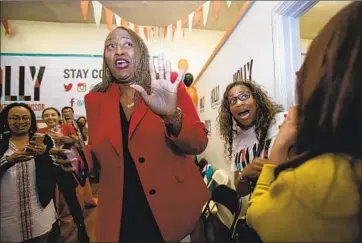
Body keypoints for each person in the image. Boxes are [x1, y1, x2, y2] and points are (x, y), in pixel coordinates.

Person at [246, 2, 361, 242]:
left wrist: (277, 151)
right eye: (231, 100)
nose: (298, 74)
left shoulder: (324, 179)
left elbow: (257, 217)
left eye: (312, 61)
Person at [84, 26, 210, 242]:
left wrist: (172, 117)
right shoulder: (95, 99)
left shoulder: (167, 84)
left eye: (127, 44)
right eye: (110, 46)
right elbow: (97, 155)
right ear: (106, 58)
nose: (119, 51)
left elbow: (198, 142)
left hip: (173, 209)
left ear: (140, 52)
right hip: (121, 214)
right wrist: (75, 158)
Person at [0, 103, 67, 243]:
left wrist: (45, 155)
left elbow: (55, 171)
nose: (20, 122)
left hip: (39, 211)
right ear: (6, 119)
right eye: (14, 118)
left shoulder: (43, 140)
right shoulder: (1, 142)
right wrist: (8, 160)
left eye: (25, 118)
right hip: (7, 216)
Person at [218, 80, 286, 200]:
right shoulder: (236, 138)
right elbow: (240, 191)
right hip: (260, 208)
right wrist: (244, 175)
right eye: (233, 101)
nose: (239, 103)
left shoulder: (281, 121)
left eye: (244, 96)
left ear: (256, 99)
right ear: (230, 111)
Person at [38, 107, 90, 242]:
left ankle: (81, 228)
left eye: (53, 115)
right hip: (48, 171)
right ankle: (55, 230)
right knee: (51, 202)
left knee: (71, 199)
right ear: (43, 118)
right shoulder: (40, 132)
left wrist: (62, 137)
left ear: (58, 116)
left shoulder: (66, 127)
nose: (50, 117)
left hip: (65, 169)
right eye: (47, 115)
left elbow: (75, 141)